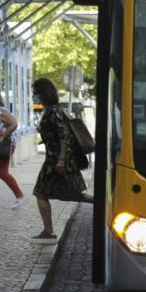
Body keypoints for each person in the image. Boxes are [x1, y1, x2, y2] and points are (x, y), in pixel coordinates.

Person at [31, 78, 92, 243]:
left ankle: (48, 231)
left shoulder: (52, 111)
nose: (34, 96)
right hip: (59, 159)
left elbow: (64, 135)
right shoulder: (55, 109)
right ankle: (106, 205)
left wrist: (61, 160)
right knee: (74, 195)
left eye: (35, 93)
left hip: (56, 160)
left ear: (43, 94)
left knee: (40, 192)